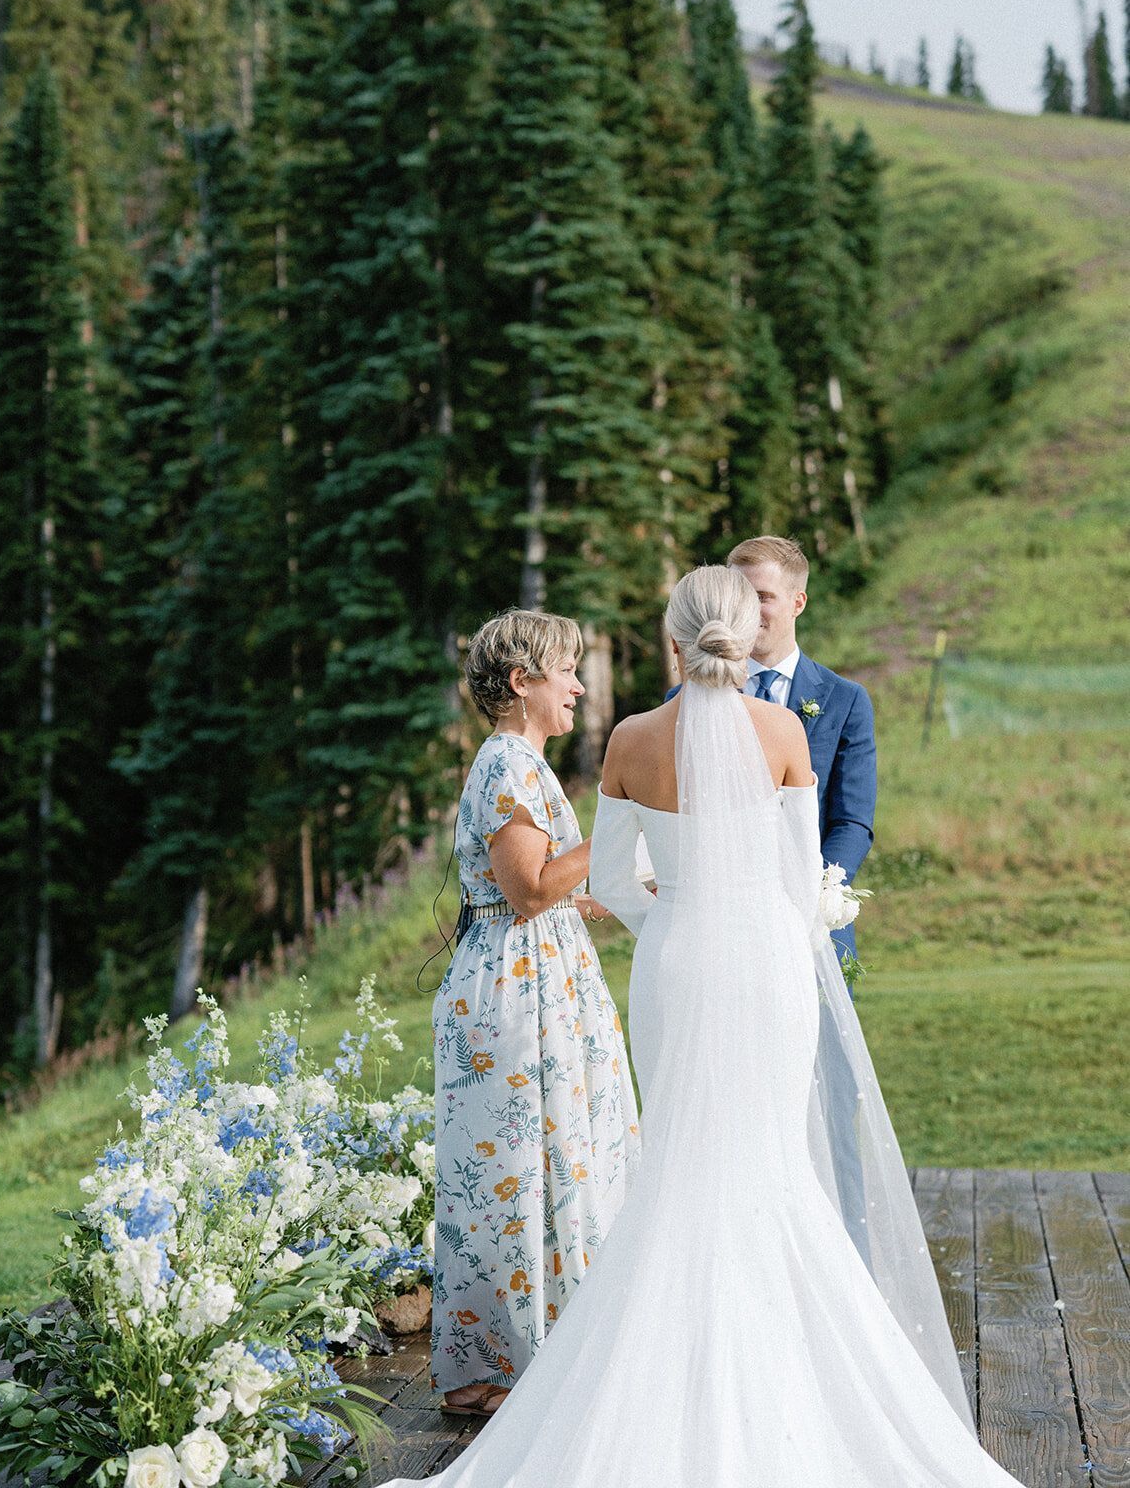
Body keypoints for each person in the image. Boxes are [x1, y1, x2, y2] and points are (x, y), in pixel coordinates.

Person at [377, 568, 1028, 1488]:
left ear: (673, 644)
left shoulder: (632, 739)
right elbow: (802, 886)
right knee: (770, 1165)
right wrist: (754, 924)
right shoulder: (784, 732)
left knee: (678, 1169)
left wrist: (673, 922)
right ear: (743, 635)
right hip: (766, 963)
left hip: (675, 967)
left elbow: (607, 881)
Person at [429, 608, 639, 1420]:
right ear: (521, 683)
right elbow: (527, 890)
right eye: (566, 672)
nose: (580, 686)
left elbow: (550, 891)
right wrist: (625, 820)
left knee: (552, 1162)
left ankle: (542, 1352)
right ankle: (497, 1369)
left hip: (538, 975)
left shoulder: (516, 764)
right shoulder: (508, 764)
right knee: (516, 1174)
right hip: (514, 996)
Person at [668, 534, 876, 982]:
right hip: (713, 925)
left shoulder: (845, 700)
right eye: (740, 596)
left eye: (763, 597)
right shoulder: (682, 701)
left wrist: (812, 899)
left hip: (810, 924)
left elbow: (852, 821)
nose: (748, 610)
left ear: (798, 602)